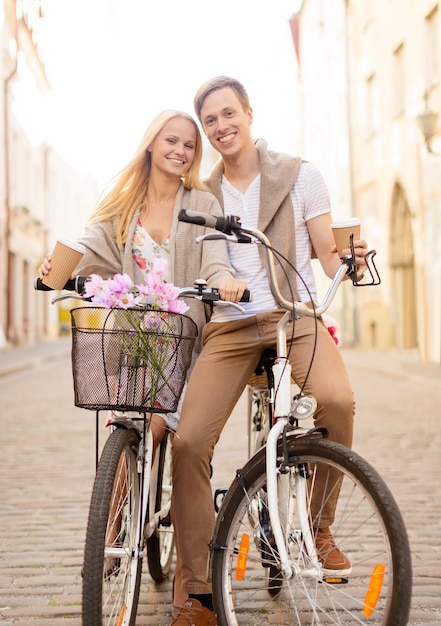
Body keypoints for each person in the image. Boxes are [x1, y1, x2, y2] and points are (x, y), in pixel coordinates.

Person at [169, 77, 369, 626]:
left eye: (228, 114)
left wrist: (347, 260)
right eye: (210, 121)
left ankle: (319, 526)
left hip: (293, 316)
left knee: (337, 401)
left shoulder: (300, 175)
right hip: (231, 329)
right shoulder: (201, 193)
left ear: (249, 114)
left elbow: (327, 253)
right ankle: (196, 593)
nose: (220, 126)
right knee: (188, 443)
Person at [38, 109, 246, 613]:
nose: (180, 151)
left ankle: (186, 580)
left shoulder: (202, 201)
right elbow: (89, 244)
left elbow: (217, 256)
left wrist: (224, 281)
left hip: (182, 337)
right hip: (133, 338)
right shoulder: (123, 204)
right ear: (151, 144)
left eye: (189, 146)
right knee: (134, 422)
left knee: (172, 435)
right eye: (171, 140)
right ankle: (114, 516)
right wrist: (56, 268)